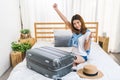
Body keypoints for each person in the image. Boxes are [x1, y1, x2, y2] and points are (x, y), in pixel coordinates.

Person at [53, 3, 92, 71]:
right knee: (63, 57)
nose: (76, 25)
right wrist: (56, 9)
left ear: (81, 22)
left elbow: (86, 49)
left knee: (69, 59)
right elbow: (65, 20)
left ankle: (74, 64)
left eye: (78, 22)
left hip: (82, 56)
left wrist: (89, 39)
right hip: (73, 54)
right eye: (74, 24)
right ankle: (74, 65)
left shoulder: (87, 32)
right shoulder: (74, 31)